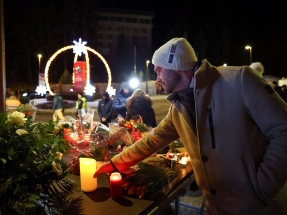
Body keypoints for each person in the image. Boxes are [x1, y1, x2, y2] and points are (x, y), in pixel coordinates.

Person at [94, 38, 287, 214]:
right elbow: (152, 140)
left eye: (159, 70)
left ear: (176, 65)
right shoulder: (178, 107)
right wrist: (113, 164)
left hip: (259, 208)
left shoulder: (240, 80)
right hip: (216, 208)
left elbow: (283, 131)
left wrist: (263, 186)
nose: (157, 78)